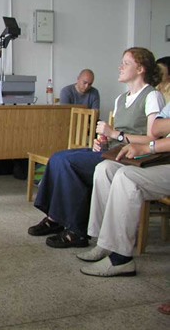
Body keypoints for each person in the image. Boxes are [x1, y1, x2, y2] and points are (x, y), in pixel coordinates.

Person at [28, 48, 165, 248]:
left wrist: (115, 135)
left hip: (131, 155)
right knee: (57, 157)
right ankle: (56, 217)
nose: (120, 67)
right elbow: (113, 134)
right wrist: (103, 141)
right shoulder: (121, 98)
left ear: (140, 69)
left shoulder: (152, 96)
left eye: (126, 63)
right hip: (112, 150)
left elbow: (154, 137)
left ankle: (77, 230)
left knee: (68, 163)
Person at [77, 101, 170, 277]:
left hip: (162, 156)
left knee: (126, 177)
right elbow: (156, 129)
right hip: (163, 156)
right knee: (105, 168)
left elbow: (156, 135)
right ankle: (104, 243)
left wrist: (149, 146)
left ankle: (121, 258)